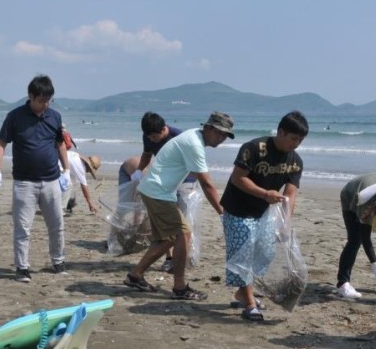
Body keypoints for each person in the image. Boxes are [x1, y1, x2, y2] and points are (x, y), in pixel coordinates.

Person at [123, 111, 234, 300]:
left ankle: (135, 275)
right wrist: (223, 213)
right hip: (158, 192)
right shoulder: (194, 143)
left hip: (155, 191)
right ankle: (180, 287)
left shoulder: (193, 137)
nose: (222, 138)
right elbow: (207, 184)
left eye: (225, 135)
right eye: (219, 132)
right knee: (183, 233)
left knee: (168, 239)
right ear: (207, 127)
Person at [221, 111, 308, 321]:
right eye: (293, 138)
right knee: (244, 253)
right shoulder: (254, 149)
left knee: (265, 253)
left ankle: (242, 293)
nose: (296, 144)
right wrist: (265, 194)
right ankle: (250, 304)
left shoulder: (295, 160)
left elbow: (290, 193)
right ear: (280, 132)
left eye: (300, 140)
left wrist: (286, 222)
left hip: (264, 213)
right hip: (237, 209)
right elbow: (237, 178)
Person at [0, 75, 72, 283]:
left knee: (57, 225)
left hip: (52, 181)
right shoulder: (15, 117)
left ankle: (58, 261)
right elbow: (1, 143)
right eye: (41, 100)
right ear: (31, 96)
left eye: (48, 100)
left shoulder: (54, 117)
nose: (45, 104)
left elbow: (60, 144)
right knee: (23, 227)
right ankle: (22, 267)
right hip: (24, 182)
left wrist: (67, 170)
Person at [137, 112, 198, 273]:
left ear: (164, 129)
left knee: (183, 223)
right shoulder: (148, 136)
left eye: (154, 137)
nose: (151, 140)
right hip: (164, 184)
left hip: (185, 180)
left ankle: (183, 257)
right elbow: (146, 154)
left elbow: (193, 164)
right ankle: (170, 259)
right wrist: (138, 171)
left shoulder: (179, 137)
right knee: (165, 226)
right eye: (148, 137)